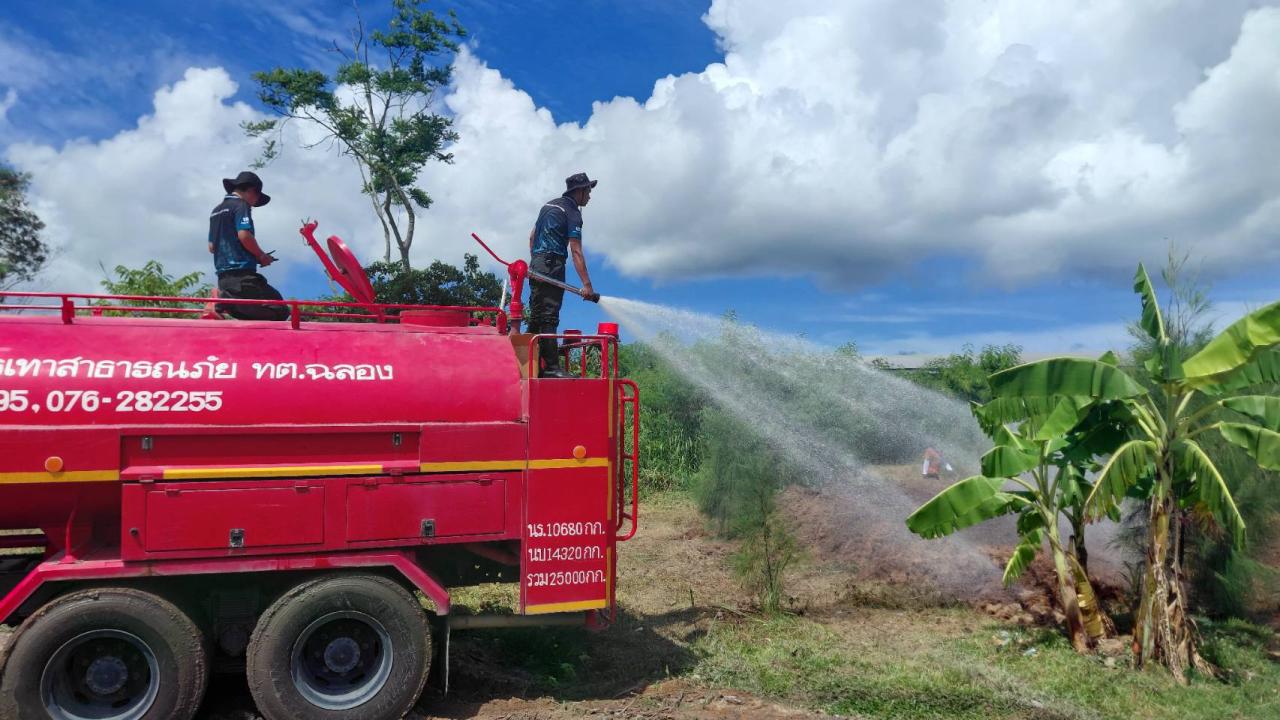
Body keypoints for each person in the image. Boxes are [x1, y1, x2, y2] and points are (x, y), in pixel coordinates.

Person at [527, 172, 599, 378]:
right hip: (553, 262)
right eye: (589, 191)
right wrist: (587, 285)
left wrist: (536, 261)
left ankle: (530, 363)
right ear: (580, 191)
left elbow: (532, 236)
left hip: (537, 263)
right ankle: (551, 367)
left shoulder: (548, 206)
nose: (590, 196)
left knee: (537, 314)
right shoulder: (572, 212)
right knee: (549, 314)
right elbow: (576, 250)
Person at [208, 171, 288, 321]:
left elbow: (212, 247)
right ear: (251, 190)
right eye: (257, 197)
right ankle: (221, 299)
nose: (254, 204)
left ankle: (222, 301)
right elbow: (244, 235)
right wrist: (261, 255)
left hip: (223, 279)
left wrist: (251, 255)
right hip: (243, 277)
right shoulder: (241, 205)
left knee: (247, 314)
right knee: (280, 310)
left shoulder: (216, 211)